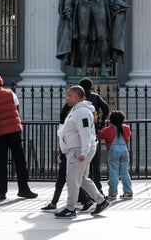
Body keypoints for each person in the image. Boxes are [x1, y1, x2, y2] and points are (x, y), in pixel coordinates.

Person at [54, 85, 110, 218]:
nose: (67, 98)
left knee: (72, 179)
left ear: (78, 97)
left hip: (78, 150)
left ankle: (70, 208)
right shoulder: (78, 111)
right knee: (82, 179)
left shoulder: (81, 112)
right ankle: (101, 201)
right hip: (77, 149)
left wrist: (83, 152)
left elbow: (84, 133)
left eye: (69, 95)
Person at [0, 74, 37, 200]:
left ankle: (2, 192)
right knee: (20, 161)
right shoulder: (10, 93)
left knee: (1, 163)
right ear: (1, 84)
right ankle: (23, 189)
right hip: (13, 131)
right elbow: (16, 109)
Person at [41, 102, 94, 211]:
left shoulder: (78, 117)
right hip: (66, 152)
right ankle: (55, 203)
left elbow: (82, 135)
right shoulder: (68, 121)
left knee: (72, 180)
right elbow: (64, 138)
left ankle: (85, 202)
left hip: (71, 152)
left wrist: (84, 152)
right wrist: (61, 153)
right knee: (66, 180)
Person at [80, 77, 109, 193]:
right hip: (94, 131)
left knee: (83, 163)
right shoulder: (95, 97)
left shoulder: (79, 97)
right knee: (95, 162)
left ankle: (85, 190)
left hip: (81, 132)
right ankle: (98, 188)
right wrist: (101, 122)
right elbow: (106, 108)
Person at [98, 110, 133, 201]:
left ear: (111, 120)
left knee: (113, 172)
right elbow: (128, 135)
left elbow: (100, 135)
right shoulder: (126, 128)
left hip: (113, 150)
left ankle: (112, 194)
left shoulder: (108, 129)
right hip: (124, 149)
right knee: (125, 172)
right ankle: (128, 192)